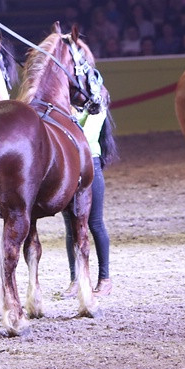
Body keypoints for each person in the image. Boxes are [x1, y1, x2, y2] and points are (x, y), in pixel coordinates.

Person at [63, 86, 116, 298]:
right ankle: (75, 279)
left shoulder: (97, 105)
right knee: (70, 227)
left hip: (89, 164)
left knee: (95, 223)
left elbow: (86, 137)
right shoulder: (70, 105)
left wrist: (71, 118)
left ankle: (105, 279)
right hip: (68, 166)